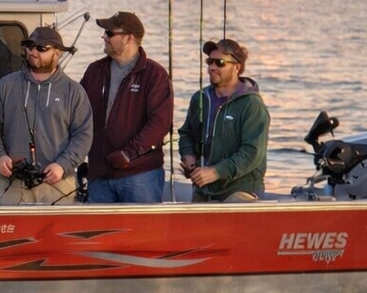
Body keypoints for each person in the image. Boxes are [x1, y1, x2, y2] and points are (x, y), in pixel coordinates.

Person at [0, 24, 93, 204]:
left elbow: (83, 136)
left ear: (58, 53)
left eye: (41, 48)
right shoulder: (6, 85)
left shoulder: (74, 91)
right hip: (13, 184)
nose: (33, 52)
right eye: (30, 46)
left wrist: (62, 165)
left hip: (58, 184)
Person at [79, 11, 172, 203]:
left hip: (140, 176)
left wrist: (128, 154)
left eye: (109, 33)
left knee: (143, 232)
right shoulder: (94, 71)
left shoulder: (155, 75)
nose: (104, 36)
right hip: (99, 174)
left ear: (129, 38)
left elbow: (160, 124)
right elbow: (76, 113)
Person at [177, 37, 269, 201]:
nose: (212, 67)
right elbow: (186, 134)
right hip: (203, 189)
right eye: (210, 61)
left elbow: (252, 153)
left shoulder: (252, 104)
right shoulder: (200, 98)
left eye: (220, 62)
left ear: (237, 67)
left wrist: (216, 172)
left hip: (240, 190)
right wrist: (189, 156)